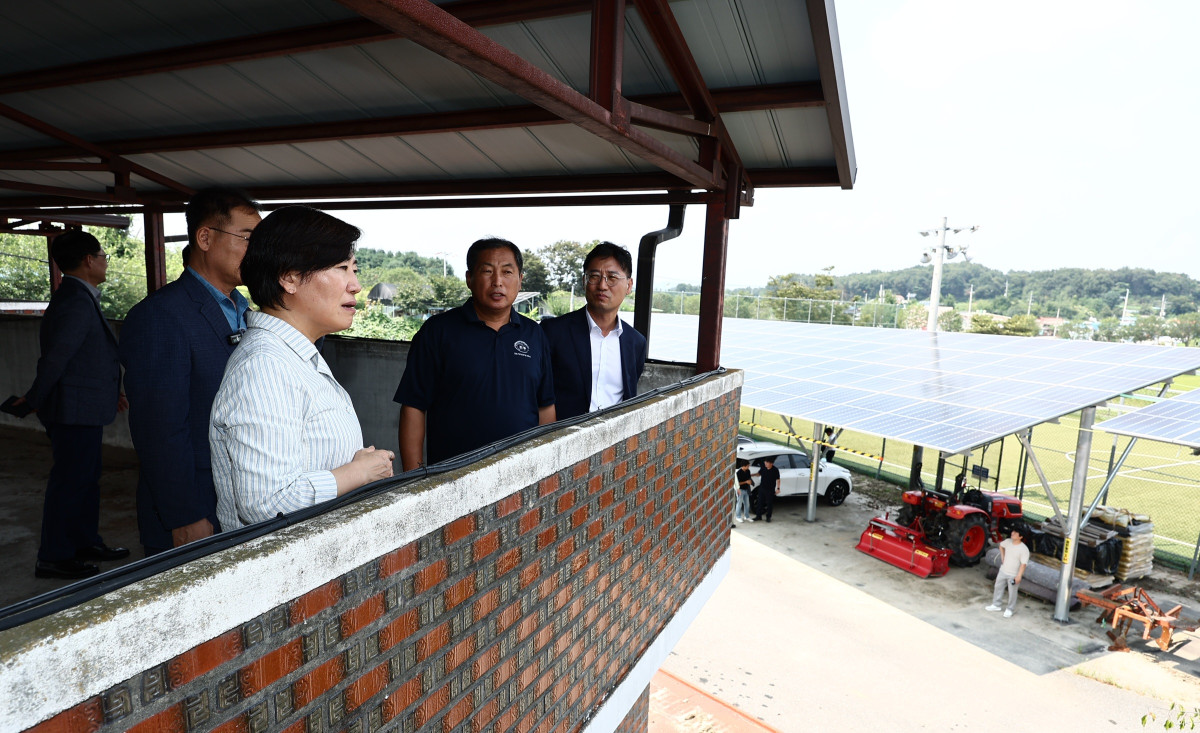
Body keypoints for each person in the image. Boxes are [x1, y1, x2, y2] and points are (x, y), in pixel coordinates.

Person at [209, 206, 394, 529]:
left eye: (355, 269)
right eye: (342, 268)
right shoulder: (264, 368)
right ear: (290, 277)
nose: (355, 285)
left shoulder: (296, 354)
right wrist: (358, 472)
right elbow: (266, 503)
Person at [120, 188, 261, 555]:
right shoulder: (161, 316)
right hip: (197, 505)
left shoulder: (246, 311)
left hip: (243, 494)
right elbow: (160, 428)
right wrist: (184, 516)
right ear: (205, 238)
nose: (257, 250)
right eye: (247, 238)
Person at [20, 230, 129, 578]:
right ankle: (54, 555)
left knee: (85, 479)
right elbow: (56, 359)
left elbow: (85, 358)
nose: (104, 263)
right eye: (102, 256)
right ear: (88, 261)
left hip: (82, 407)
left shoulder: (78, 296)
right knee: (70, 482)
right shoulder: (74, 300)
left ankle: (84, 541)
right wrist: (34, 399)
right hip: (71, 410)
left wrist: (113, 391)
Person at [395, 238, 555, 470]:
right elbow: (413, 406)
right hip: (453, 475)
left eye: (507, 272)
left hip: (521, 475)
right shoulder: (438, 331)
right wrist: (413, 477)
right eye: (487, 271)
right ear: (470, 278)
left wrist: (544, 469)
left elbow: (545, 406)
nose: (497, 281)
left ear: (520, 280)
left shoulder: (534, 334)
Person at [542, 241, 647, 420]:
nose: (602, 286)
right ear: (584, 281)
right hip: (562, 439)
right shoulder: (552, 333)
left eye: (612, 278)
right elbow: (539, 395)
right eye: (594, 276)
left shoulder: (635, 342)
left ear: (629, 285)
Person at [986, 526, 1030, 618]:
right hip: (1003, 570)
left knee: (1012, 592)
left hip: (1013, 575)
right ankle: (996, 605)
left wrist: (1019, 576)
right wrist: (1002, 557)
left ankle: (1010, 609)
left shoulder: (1024, 549)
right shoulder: (1008, 542)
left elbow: (1023, 564)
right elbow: (1001, 546)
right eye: (1013, 531)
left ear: (1021, 536)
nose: (1012, 533)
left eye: (1016, 532)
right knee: (998, 587)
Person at [754, 456, 781, 523]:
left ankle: (768, 517)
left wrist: (778, 488)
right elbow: (758, 474)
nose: (765, 463)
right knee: (760, 502)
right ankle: (758, 516)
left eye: (766, 462)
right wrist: (751, 475)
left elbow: (778, 479)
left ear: (771, 463)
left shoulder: (775, 470)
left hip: (770, 489)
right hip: (762, 488)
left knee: (769, 504)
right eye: (765, 462)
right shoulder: (763, 468)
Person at [734, 458, 755, 523]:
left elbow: (749, 478)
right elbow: (737, 483)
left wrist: (750, 482)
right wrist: (746, 482)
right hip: (740, 489)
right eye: (748, 465)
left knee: (747, 504)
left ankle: (747, 516)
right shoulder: (738, 473)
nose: (749, 467)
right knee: (739, 503)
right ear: (744, 466)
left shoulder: (748, 471)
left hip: (746, 489)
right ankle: (738, 517)